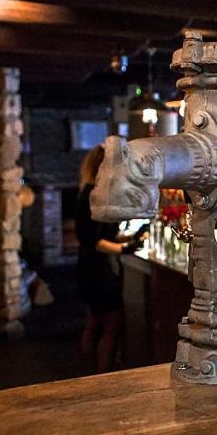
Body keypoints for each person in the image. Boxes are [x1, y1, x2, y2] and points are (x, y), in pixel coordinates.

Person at [76, 145, 143, 373]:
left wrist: (133, 236)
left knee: (95, 320)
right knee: (112, 323)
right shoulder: (92, 196)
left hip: (90, 267)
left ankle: (88, 372)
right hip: (96, 270)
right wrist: (123, 249)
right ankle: (102, 374)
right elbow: (94, 240)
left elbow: (105, 235)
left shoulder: (93, 193)